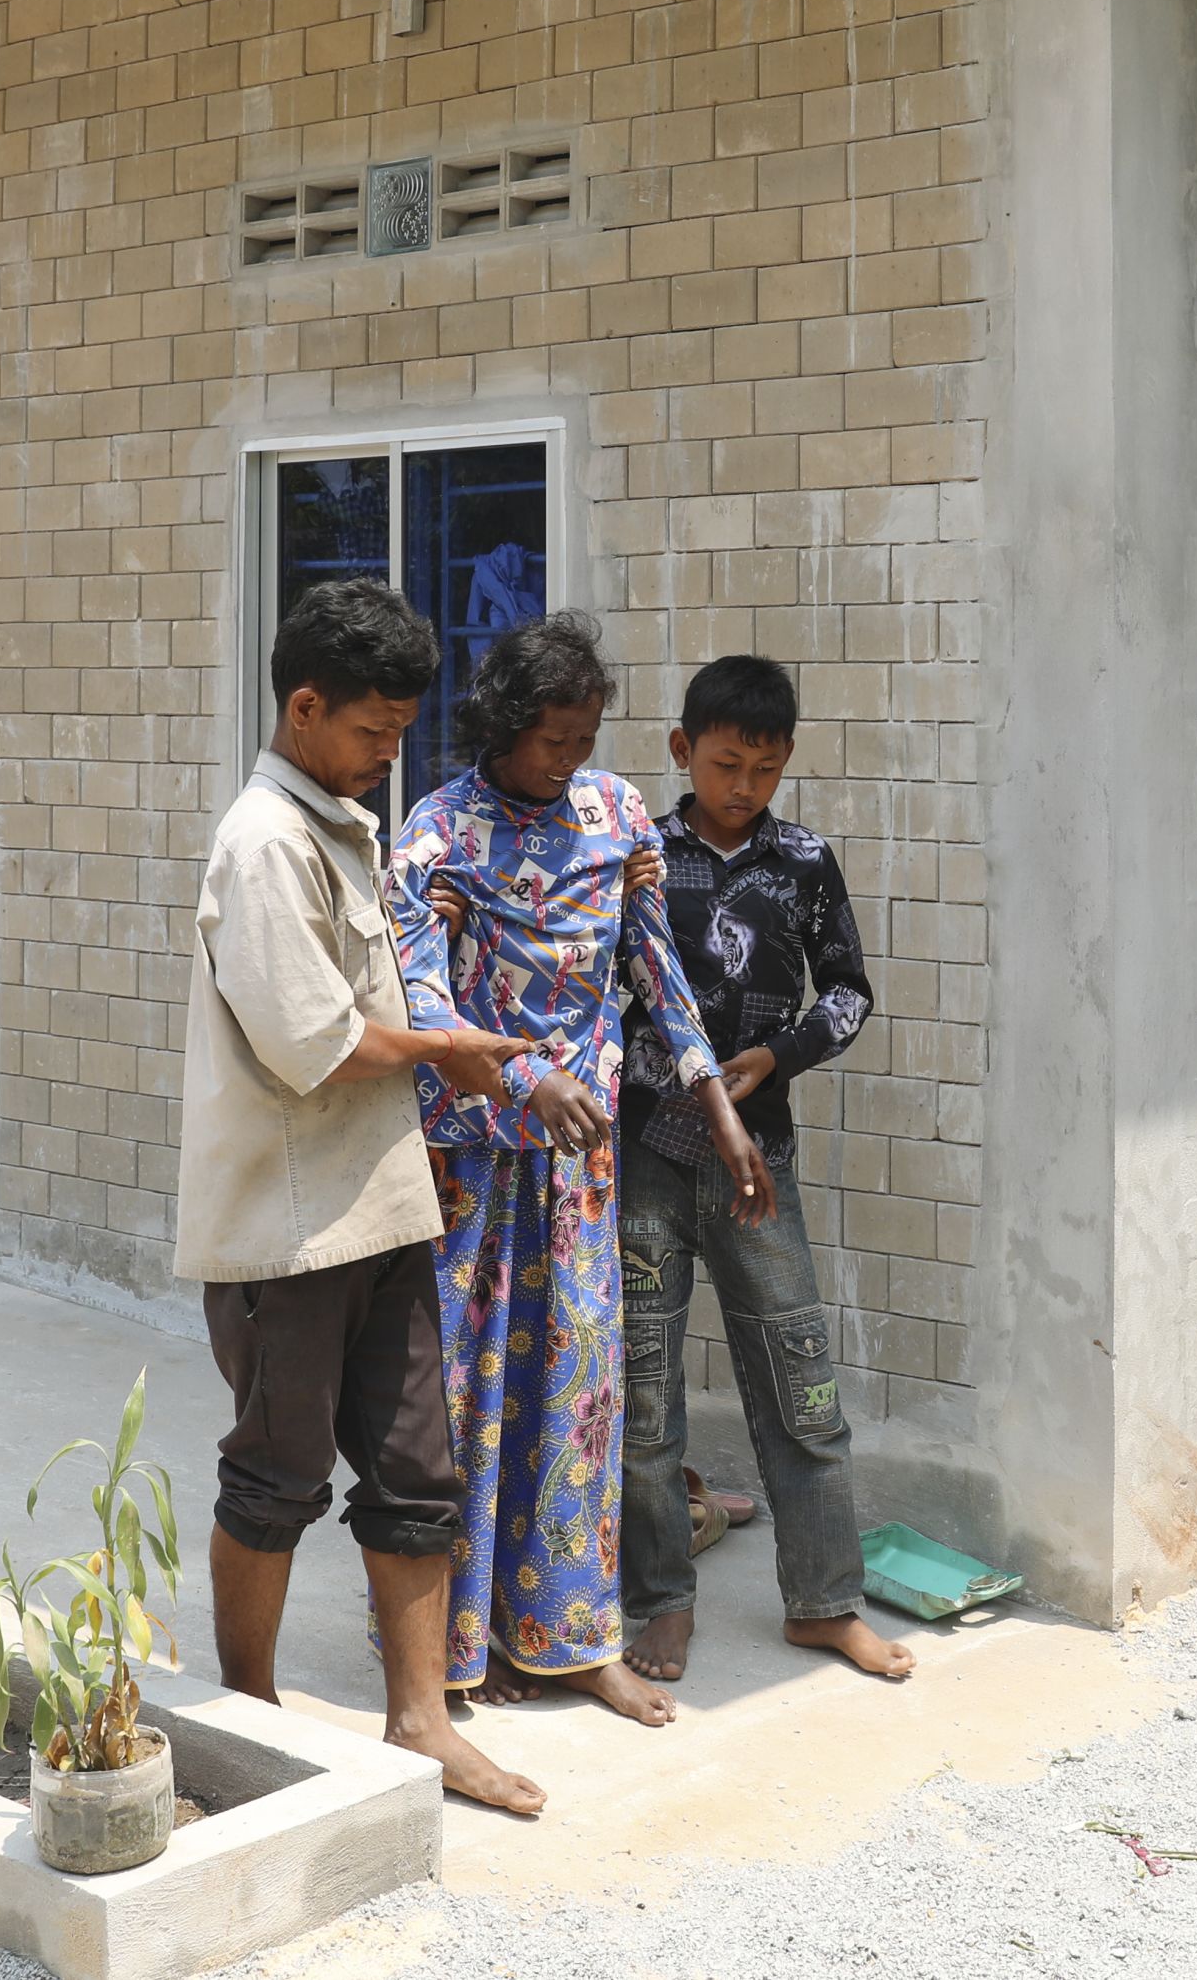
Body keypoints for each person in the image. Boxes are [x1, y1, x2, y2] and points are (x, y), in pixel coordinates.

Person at [178, 577, 548, 1819]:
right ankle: (248, 1719)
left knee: (414, 1474)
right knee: (277, 1478)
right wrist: (451, 1050)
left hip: (383, 1204)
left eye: (400, 734)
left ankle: (422, 1722)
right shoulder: (265, 841)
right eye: (374, 731)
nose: (390, 755)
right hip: (290, 1228)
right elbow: (319, 1046)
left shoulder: (336, 822)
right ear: (302, 705)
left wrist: (439, 1048)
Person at [387, 610, 762, 1726]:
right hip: (472, 1164)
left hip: (578, 1163)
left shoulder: (616, 815)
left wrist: (717, 1106)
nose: (570, 760)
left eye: (586, 736)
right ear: (505, 728)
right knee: (466, 1397)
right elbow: (415, 998)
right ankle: (458, 1650)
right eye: (553, 739)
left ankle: (571, 1635)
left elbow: (654, 966)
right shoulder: (437, 831)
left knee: (581, 1396)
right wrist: (512, 1080)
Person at [614, 654, 915, 1686]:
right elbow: (614, 998)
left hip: (760, 1166)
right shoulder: (636, 857)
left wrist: (779, 1053)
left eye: (765, 767)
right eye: (725, 762)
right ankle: (659, 1602)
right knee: (644, 1399)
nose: (743, 785)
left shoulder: (802, 862)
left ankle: (824, 1603)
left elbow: (849, 991)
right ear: (680, 750)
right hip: (645, 1160)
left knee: (802, 1389)